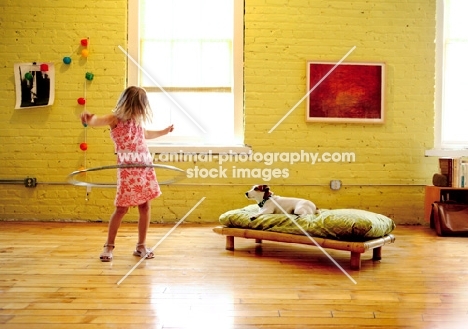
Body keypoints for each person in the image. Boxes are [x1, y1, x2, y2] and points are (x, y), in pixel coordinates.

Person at [80, 86, 174, 262]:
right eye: (139, 106)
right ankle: (109, 246)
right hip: (128, 171)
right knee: (121, 208)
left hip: (144, 168)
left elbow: (147, 134)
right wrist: (90, 120)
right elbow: (98, 121)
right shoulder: (115, 119)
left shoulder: (138, 122)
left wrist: (164, 131)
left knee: (145, 207)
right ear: (129, 104)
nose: (141, 110)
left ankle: (141, 245)